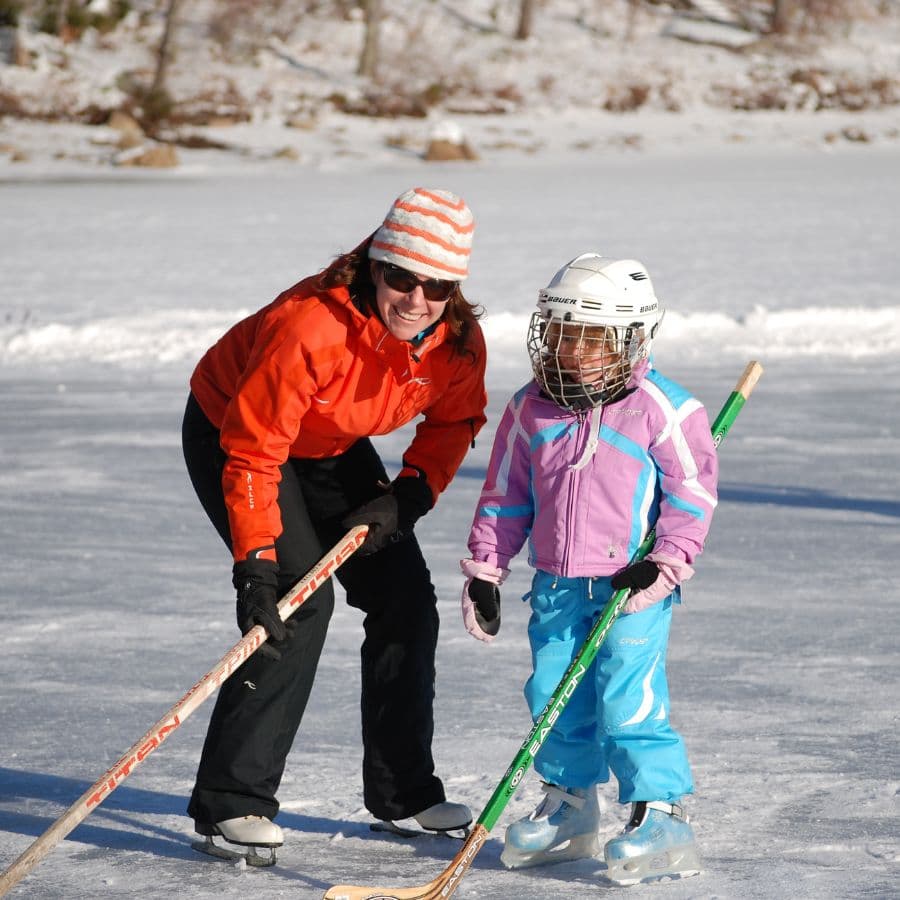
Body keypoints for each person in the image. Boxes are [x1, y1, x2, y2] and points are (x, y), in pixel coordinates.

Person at [182, 187, 487, 858]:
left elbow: (455, 420)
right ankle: (231, 803)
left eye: (436, 286)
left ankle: (402, 794)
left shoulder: (456, 344)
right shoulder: (309, 328)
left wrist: (407, 496)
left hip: (330, 442)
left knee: (405, 598)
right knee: (297, 601)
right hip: (233, 431)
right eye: (401, 277)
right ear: (374, 265)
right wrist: (256, 564)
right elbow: (255, 449)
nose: (416, 299)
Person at [459, 253, 718, 885]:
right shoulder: (530, 409)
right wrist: (486, 571)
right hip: (555, 584)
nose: (573, 350)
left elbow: (693, 496)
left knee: (629, 700)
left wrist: (664, 564)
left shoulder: (666, 409)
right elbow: (504, 495)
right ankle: (570, 805)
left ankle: (660, 812)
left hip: (633, 587)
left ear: (630, 339)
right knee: (552, 694)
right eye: (562, 332)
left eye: (591, 337)